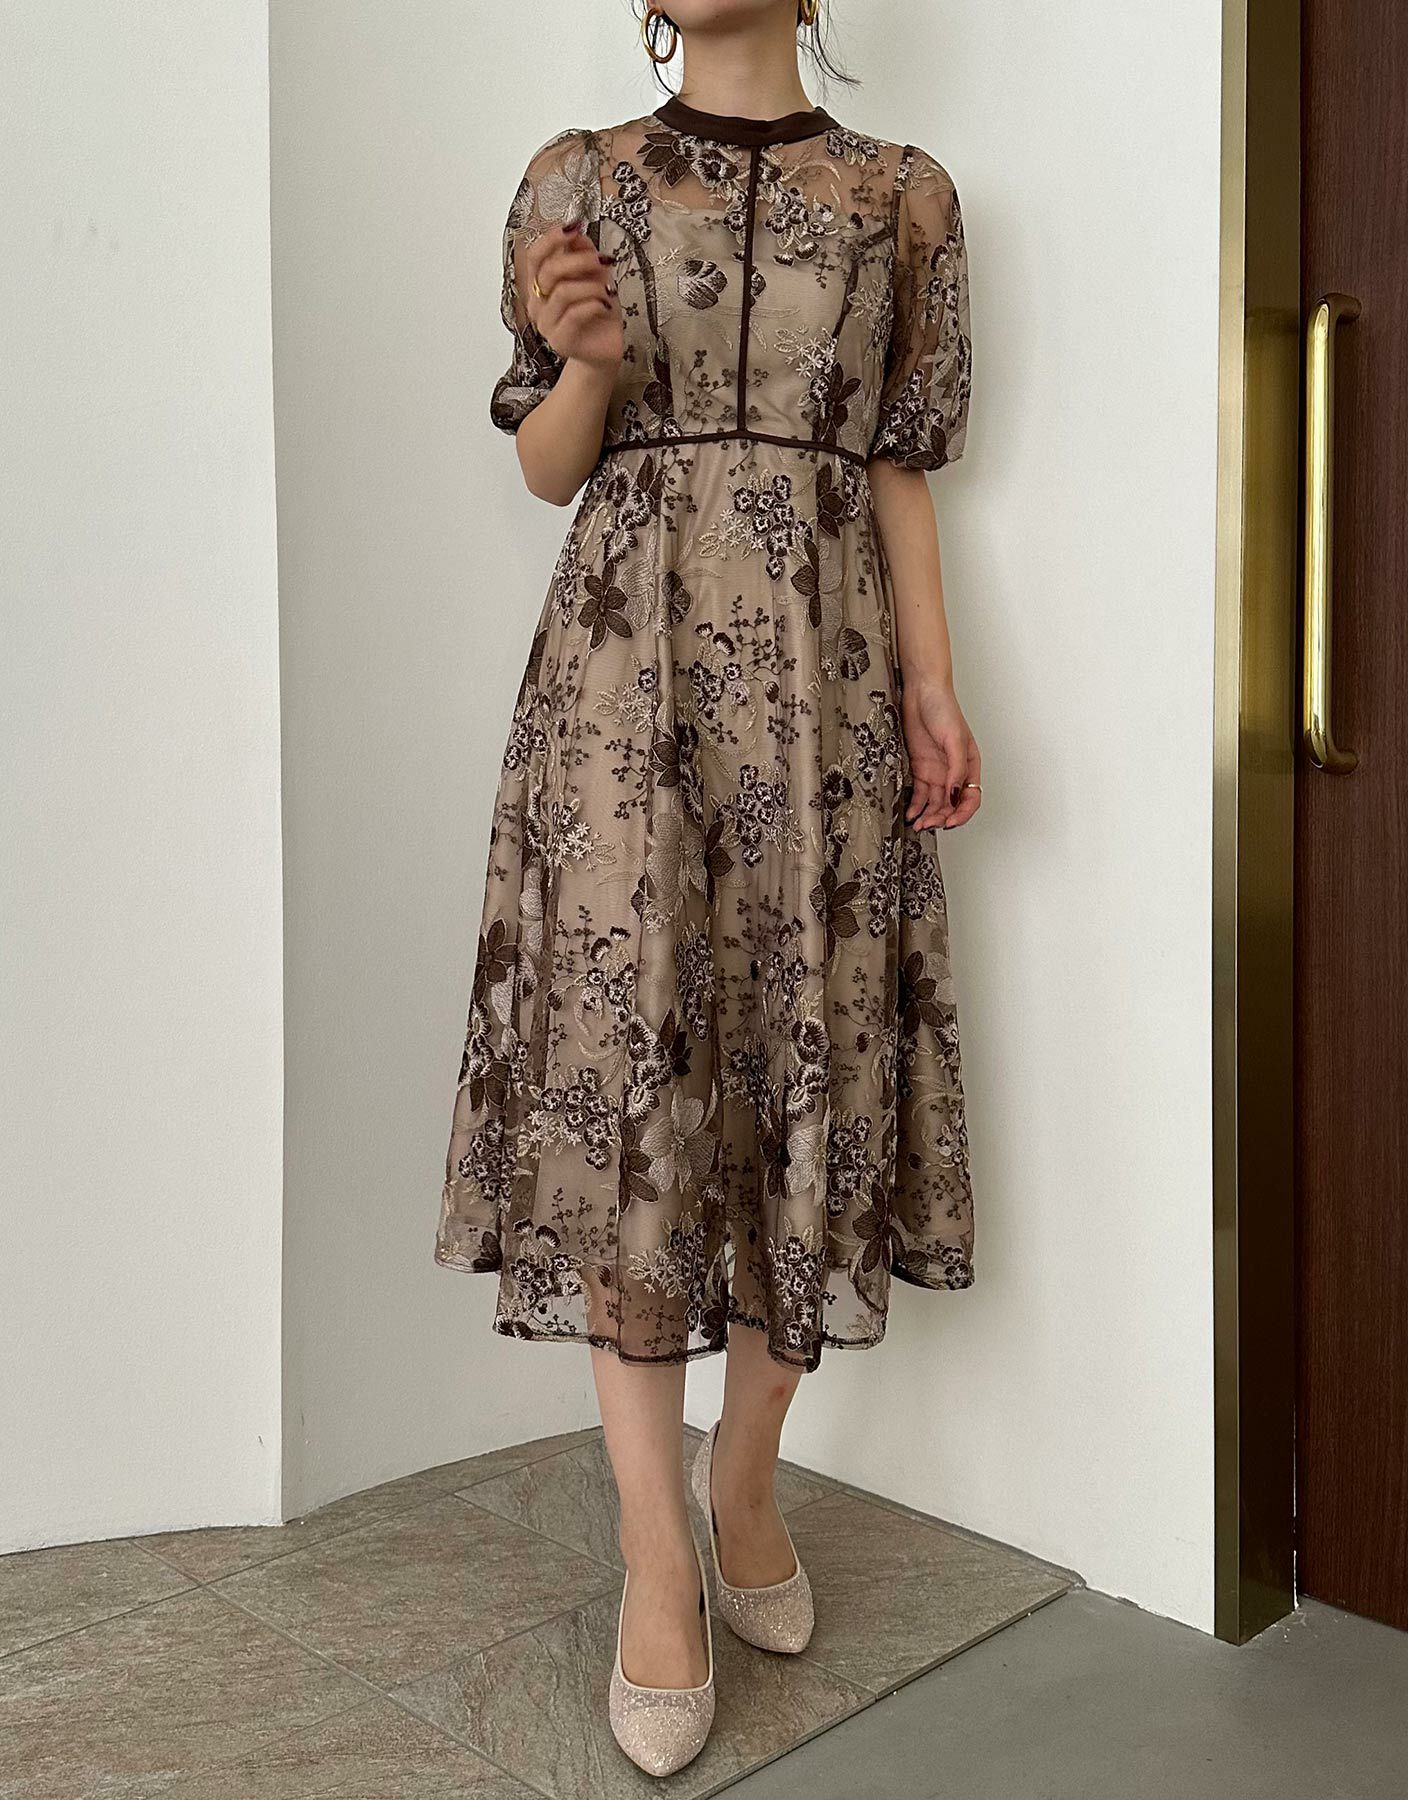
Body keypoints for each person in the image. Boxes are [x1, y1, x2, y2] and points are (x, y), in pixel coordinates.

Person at [434, 0, 980, 1774]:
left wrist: (933, 683)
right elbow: (547, 464)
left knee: (807, 1074)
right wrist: (587, 361)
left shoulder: (903, 199)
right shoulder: (575, 180)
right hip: (622, 701)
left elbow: (895, 463)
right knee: (632, 1101)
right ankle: (655, 1559)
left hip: (821, 696)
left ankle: (744, 1481)